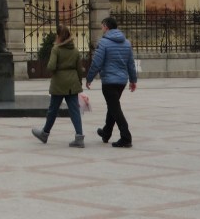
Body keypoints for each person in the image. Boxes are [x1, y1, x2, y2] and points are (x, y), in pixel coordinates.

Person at [86, 16, 138, 148]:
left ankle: (126, 137)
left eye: (102, 26)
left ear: (107, 27)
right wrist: (133, 80)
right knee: (112, 106)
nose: (102, 29)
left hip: (109, 81)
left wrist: (89, 78)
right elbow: (131, 64)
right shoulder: (126, 42)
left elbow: (97, 62)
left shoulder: (104, 42)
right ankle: (106, 132)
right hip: (121, 82)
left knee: (115, 108)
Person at [31, 24, 86, 147]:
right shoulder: (75, 50)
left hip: (59, 84)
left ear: (58, 36)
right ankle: (79, 136)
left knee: (53, 110)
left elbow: (51, 66)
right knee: (74, 111)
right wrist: (79, 82)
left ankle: (44, 133)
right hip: (72, 83)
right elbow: (79, 70)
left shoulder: (56, 49)